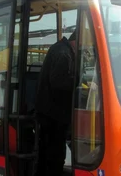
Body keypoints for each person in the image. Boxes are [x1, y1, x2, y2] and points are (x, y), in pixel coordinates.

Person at [33, 29, 77, 176]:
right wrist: (77, 83)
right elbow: (58, 82)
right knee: (55, 152)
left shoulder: (61, 49)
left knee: (46, 150)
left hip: (49, 111)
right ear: (77, 42)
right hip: (54, 114)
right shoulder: (64, 54)